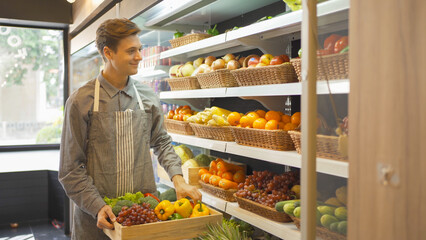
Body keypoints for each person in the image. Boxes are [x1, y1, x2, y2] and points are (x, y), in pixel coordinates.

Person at [59, 18, 201, 239]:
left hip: (142, 217)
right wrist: (97, 206)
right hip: (94, 222)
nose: (139, 56)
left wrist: (178, 178)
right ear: (108, 52)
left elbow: (162, 142)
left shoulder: (147, 98)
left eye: (140, 49)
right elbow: (70, 169)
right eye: (131, 51)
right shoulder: (81, 101)